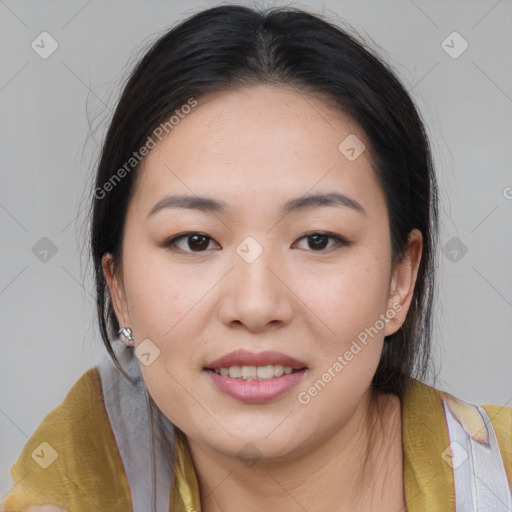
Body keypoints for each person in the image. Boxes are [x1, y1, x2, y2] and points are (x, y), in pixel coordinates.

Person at [2, 4, 511, 512]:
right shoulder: (70, 493)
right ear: (119, 288)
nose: (255, 304)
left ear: (401, 279)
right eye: (195, 241)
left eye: (317, 240)